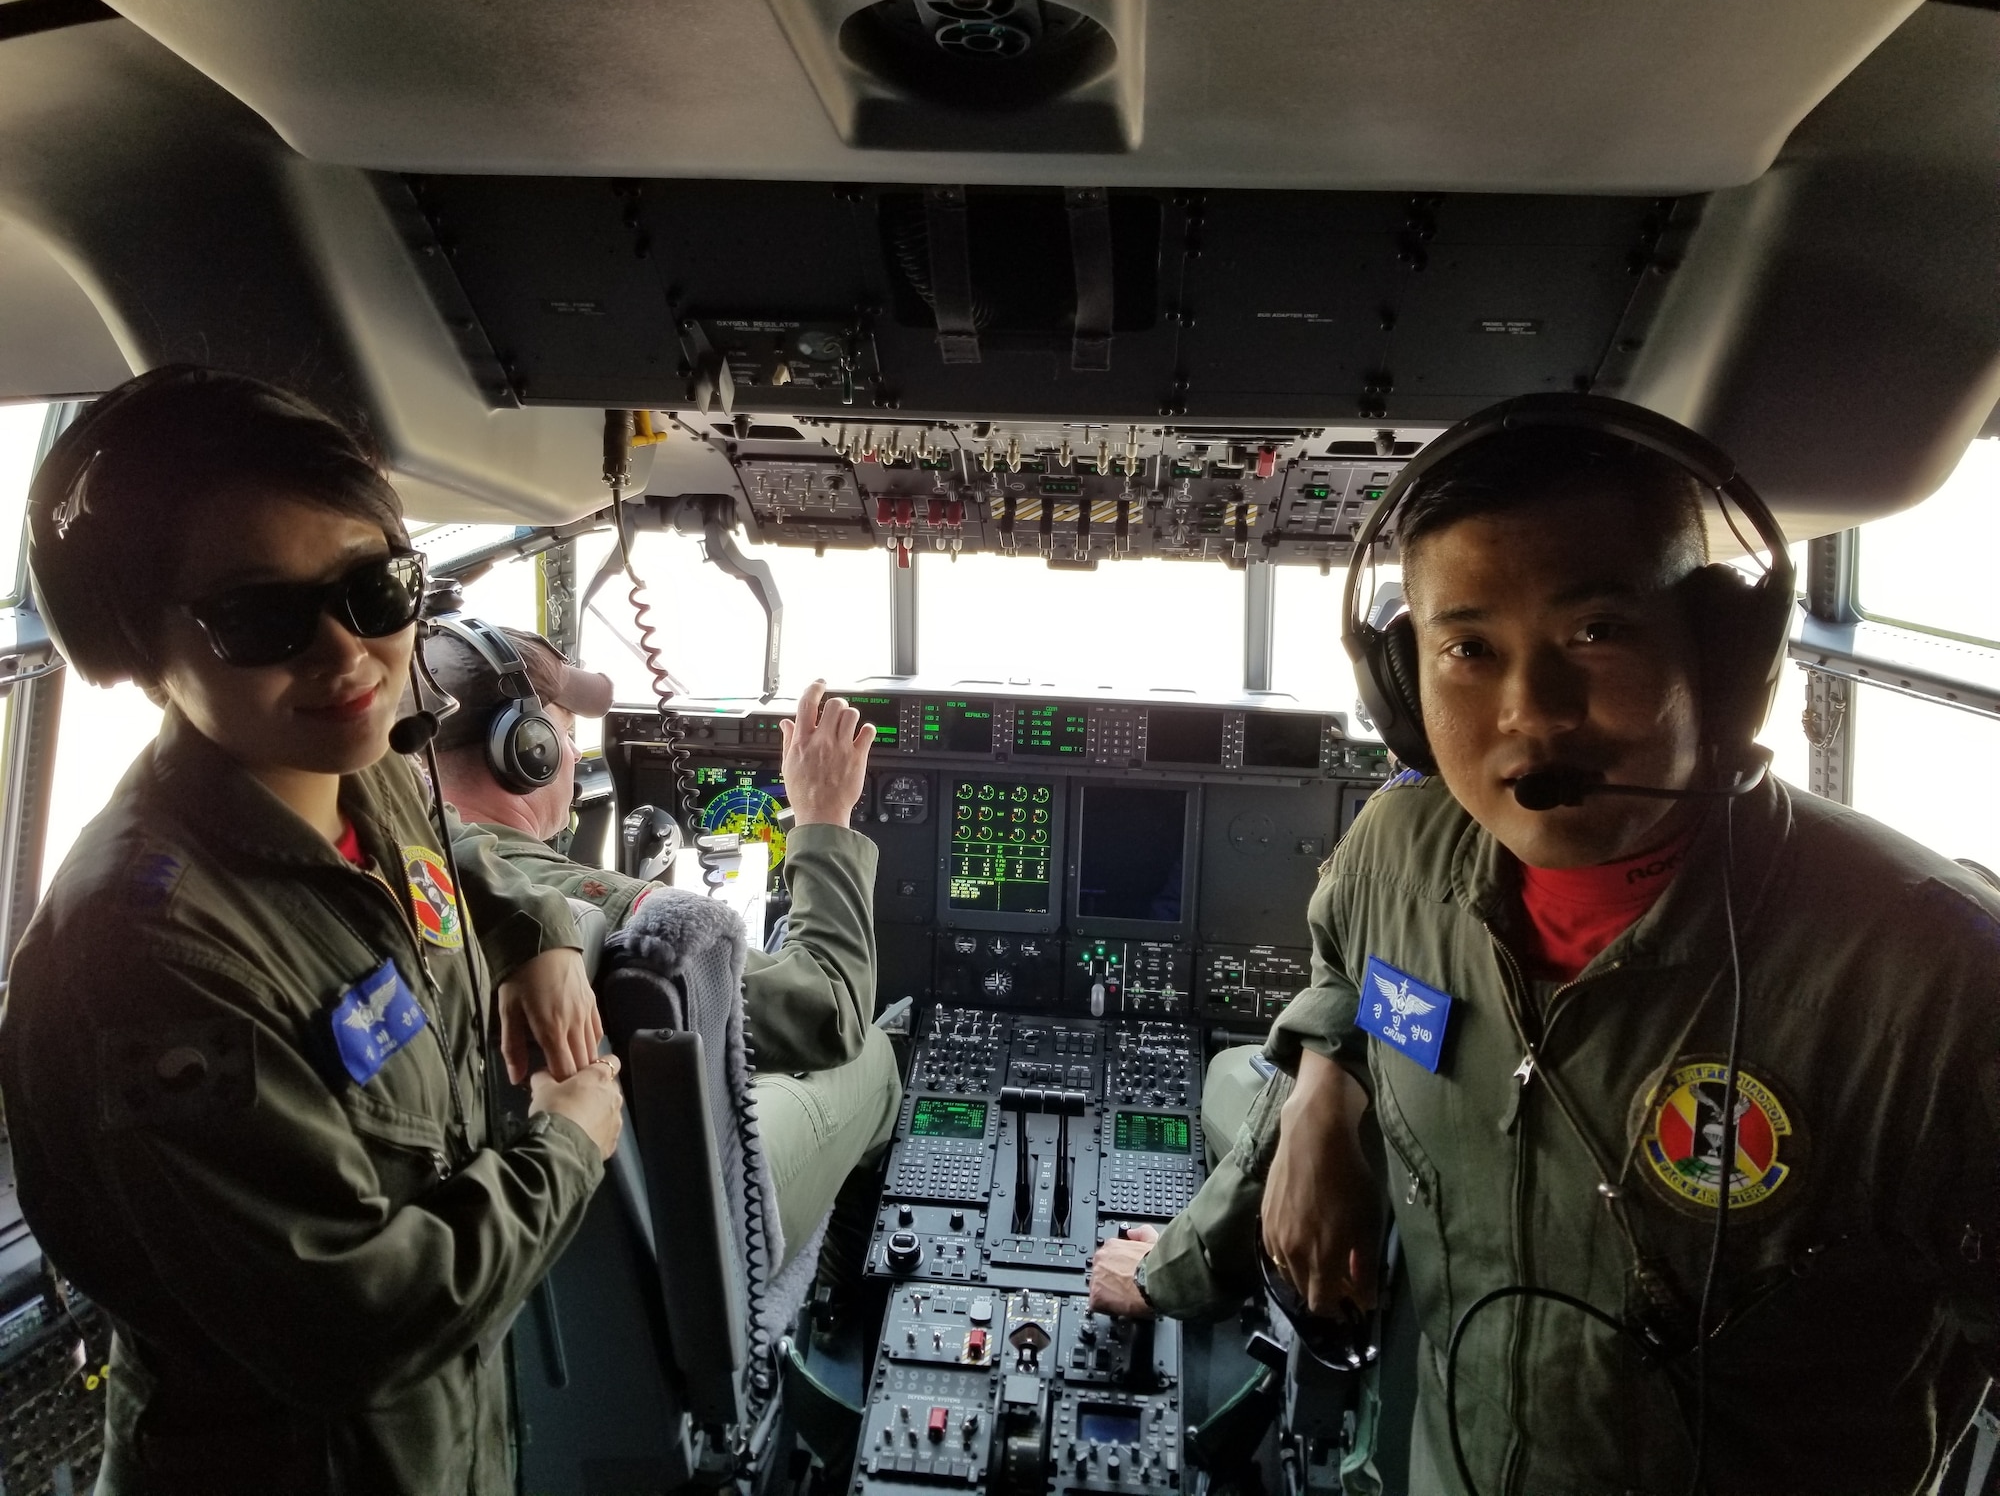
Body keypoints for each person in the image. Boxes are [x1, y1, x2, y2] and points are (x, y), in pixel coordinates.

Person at [1090, 399, 2000, 1496]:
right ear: (1404, 685)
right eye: (1467, 647)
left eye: (1591, 633)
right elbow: (1352, 978)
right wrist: (1321, 1093)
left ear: (1716, 658)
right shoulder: (1400, 852)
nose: (1530, 711)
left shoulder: (1929, 985)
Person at [0, 366, 624, 1495]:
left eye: (376, 589)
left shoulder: (354, 773)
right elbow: (351, 1322)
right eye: (258, 617)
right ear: (143, 647)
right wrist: (568, 1141)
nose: (346, 656)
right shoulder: (148, 958)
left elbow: (444, 874)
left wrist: (538, 931)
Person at [422, 624, 901, 1268]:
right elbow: (828, 1014)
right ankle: (841, 1298)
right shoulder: (608, 912)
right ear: (527, 750)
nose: (571, 756)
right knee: (868, 1052)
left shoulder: (388, 866)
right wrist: (823, 817)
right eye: (567, 735)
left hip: (527, 1234)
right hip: (697, 1232)